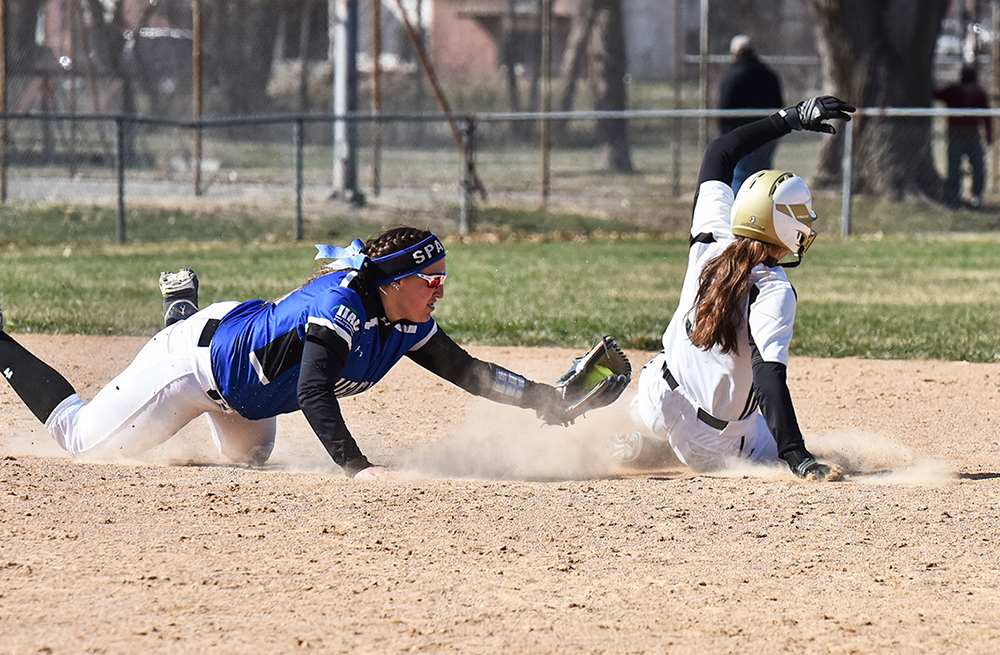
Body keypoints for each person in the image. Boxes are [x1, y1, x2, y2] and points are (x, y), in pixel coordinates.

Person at [0, 227, 569, 479]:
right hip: (192, 369)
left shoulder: (404, 319)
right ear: (395, 281)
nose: (440, 290)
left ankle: (181, 312)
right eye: (431, 279)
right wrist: (357, 468)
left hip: (239, 369)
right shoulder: (340, 308)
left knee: (249, 456)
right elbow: (312, 391)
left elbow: (469, 372)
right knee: (79, 441)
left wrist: (548, 399)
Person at [616, 95, 855, 481]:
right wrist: (797, 456)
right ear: (785, 227)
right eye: (801, 216)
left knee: (670, 369)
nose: (807, 223)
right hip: (710, 445)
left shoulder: (713, 236)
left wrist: (789, 118)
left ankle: (647, 442)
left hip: (655, 397)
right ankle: (666, 450)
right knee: (819, 452)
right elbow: (768, 380)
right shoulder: (773, 290)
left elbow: (720, 152)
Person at [718, 34, 784, 192]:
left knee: (740, 178)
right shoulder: (769, 75)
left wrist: (726, 136)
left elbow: (724, 107)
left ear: (734, 54)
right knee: (764, 178)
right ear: (754, 52)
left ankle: (738, 206)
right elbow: (779, 105)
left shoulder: (733, 76)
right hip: (767, 136)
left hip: (741, 137)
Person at [934, 65, 993, 208]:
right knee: (954, 169)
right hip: (955, 137)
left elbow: (987, 117)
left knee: (979, 167)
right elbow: (937, 94)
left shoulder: (979, 95)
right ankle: (954, 196)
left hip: (973, 137)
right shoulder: (953, 92)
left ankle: (977, 196)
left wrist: (989, 135)